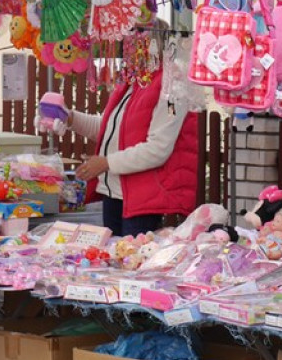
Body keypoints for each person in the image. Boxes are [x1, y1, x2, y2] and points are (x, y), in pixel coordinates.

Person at [64, 65, 199, 237]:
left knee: (134, 259)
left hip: (143, 200)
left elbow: (158, 149)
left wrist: (107, 163)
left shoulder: (172, 84)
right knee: (112, 260)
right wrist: (70, 118)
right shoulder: (133, 79)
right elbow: (110, 130)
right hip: (114, 193)